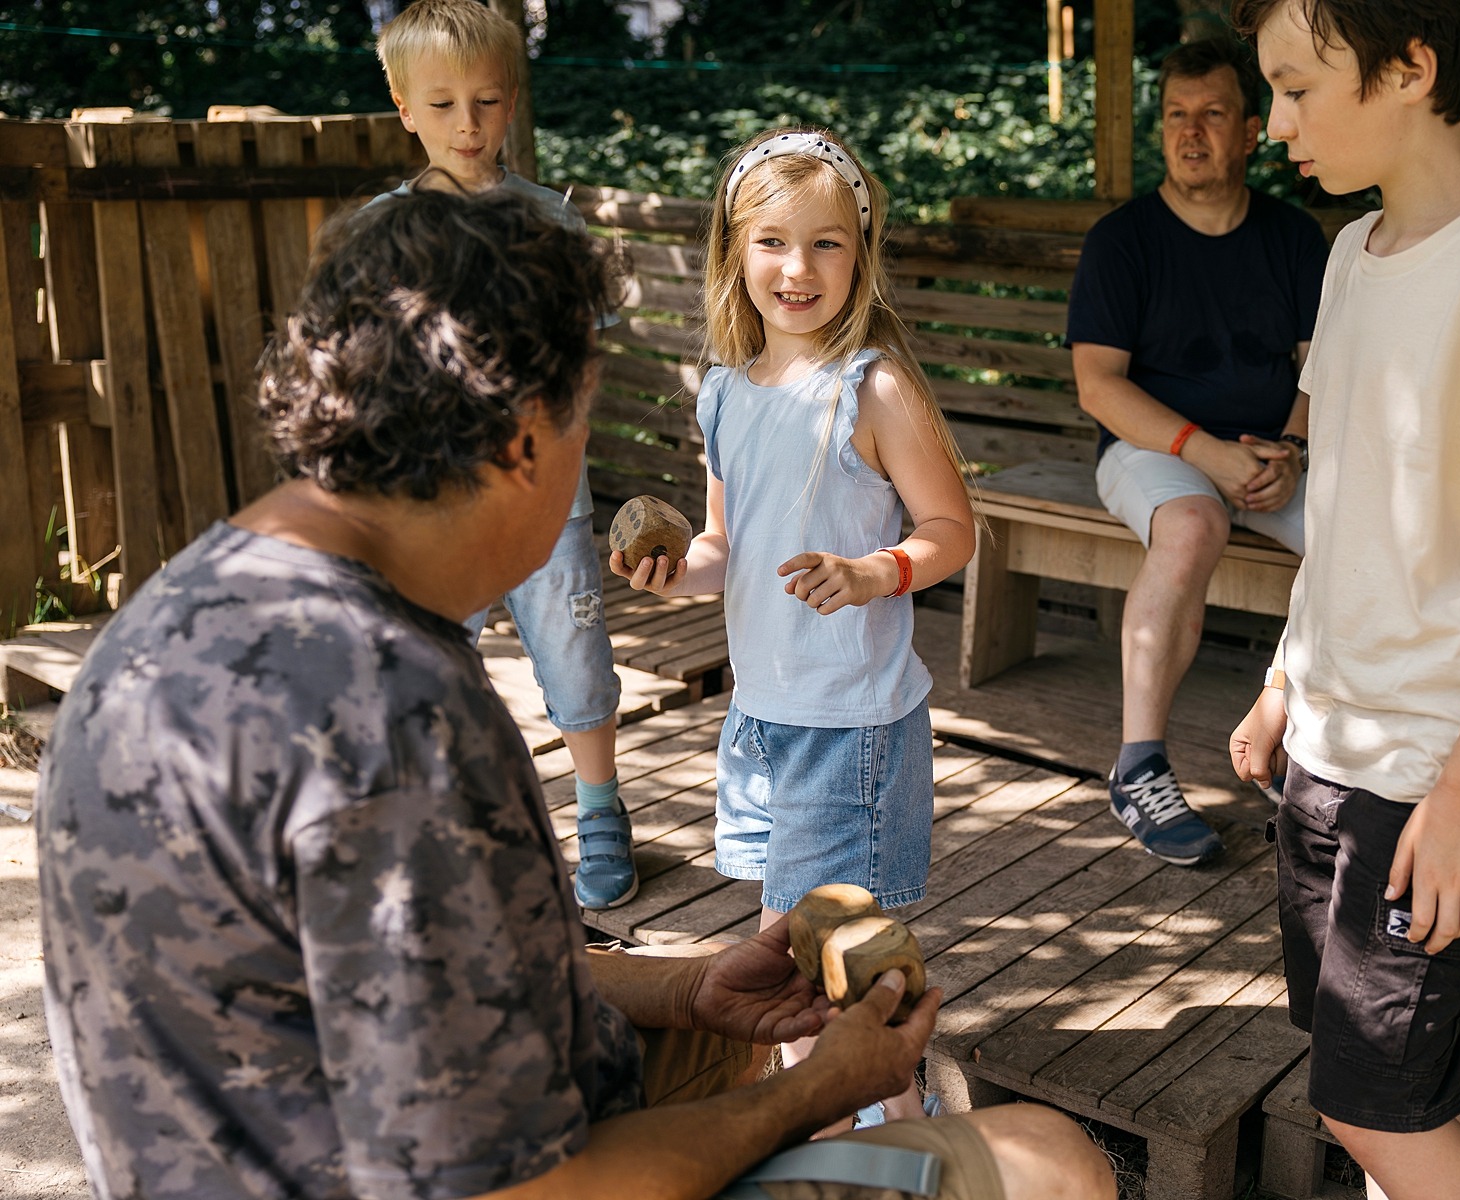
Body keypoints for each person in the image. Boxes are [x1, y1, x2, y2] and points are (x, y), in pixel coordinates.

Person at [36, 187, 1115, 1200]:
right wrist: (811, 1093)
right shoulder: (395, 717)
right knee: (1051, 1161)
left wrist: (682, 991)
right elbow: (532, 1189)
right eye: (583, 428)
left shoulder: (183, 608)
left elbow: (419, 987)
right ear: (522, 443)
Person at [1225, 1, 1460, 1197]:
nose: (1270, 124)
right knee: (1365, 1089)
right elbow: (1343, 499)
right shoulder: (1352, 252)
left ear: (1411, 69)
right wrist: (1289, 673)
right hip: (1330, 745)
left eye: (1295, 88)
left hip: (1435, 771)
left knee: (1379, 1113)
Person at [615, 127, 978, 1127]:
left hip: (850, 726)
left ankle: (874, 1127)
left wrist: (874, 572)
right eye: (773, 241)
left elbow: (952, 530)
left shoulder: (874, 386)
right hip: (762, 720)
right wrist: (667, 571)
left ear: (861, 253)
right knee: (820, 956)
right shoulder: (725, 391)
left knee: (806, 950)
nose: (798, 267)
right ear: (735, 251)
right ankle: (886, 1118)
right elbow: (726, 551)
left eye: (827, 243)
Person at [372, 0, 638, 910]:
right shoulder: (387, 233)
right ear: (404, 106)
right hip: (438, 502)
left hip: (543, 500)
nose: (469, 125)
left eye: (486, 102)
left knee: (574, 651)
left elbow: (585, 357)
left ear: (512, 100)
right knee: (432, 660)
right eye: (443, 106)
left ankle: (600, 812)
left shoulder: (550, 226)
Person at [1066, 38, 1328, 867]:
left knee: (1364, 539)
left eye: (1212, 114)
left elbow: (1324, 366)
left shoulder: (1293, 238)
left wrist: (1292, 445)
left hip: (1270, 456)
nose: (1191, 132)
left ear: (1251, 130)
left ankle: (1322, 759)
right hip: (1156, 453)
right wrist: (1206, 453)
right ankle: (1139, 766)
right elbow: (1099, 387)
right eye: (1176, 116)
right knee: (1189, 527)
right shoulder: (1124, 241)